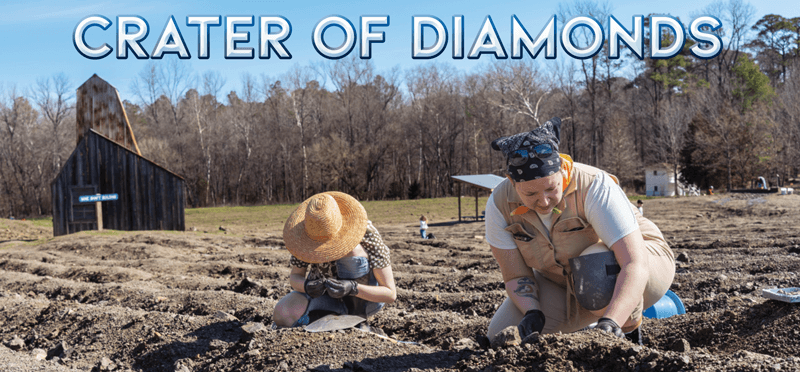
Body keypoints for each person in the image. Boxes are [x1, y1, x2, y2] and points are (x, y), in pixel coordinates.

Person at [484, 117, 675, 345]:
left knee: (595, 264)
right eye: (530, 195)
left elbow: (635, 264)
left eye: (550, 189)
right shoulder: (499, 204)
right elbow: (516, 276)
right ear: (512, 183)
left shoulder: (594, 186)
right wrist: (532, 311)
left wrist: (612, 322)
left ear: (563, 172)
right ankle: (592, 318)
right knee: (503, 336)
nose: (544, 202)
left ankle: (629, 332)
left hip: (640, 265)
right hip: (562, 281)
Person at [273, 191, 397, 327]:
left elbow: (390, 294)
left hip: (365, 300)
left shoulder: (367, 234)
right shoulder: (305, 236)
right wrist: (306, 286)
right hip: (325, 298)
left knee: (353, 251)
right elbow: (295, 276)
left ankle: (356, 318)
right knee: (282, 314)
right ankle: (327, 319)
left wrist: (353, 288)